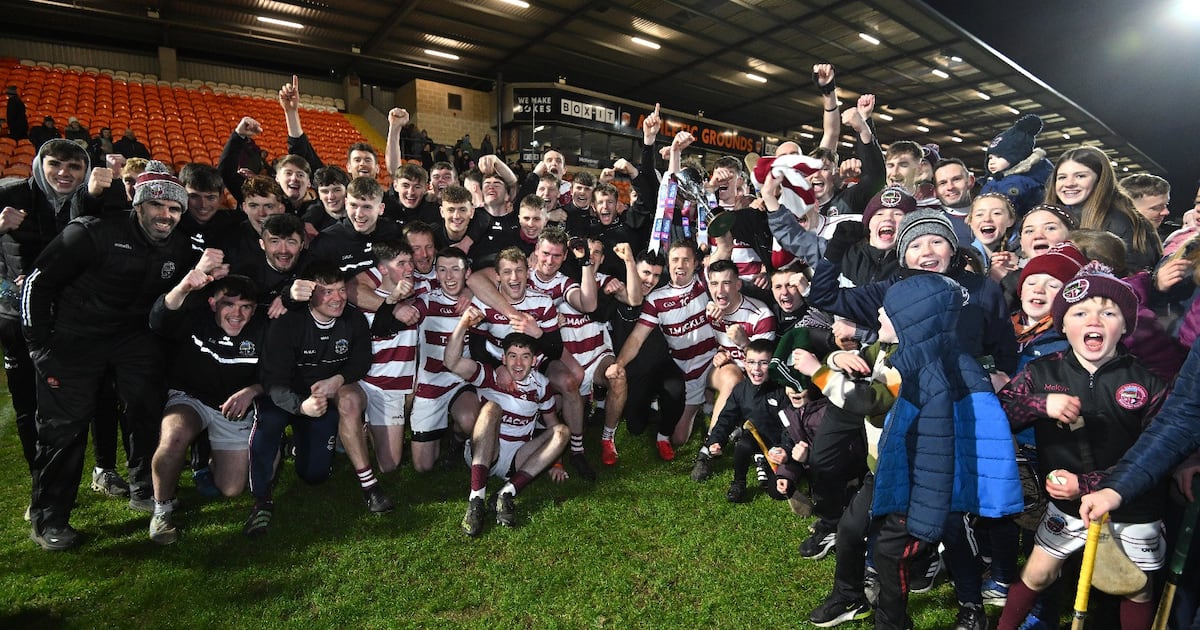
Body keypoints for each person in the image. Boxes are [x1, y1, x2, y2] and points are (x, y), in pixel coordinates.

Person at [22, 161, 210, 550]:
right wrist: (39, 345)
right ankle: (50, 517)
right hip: (76, 339)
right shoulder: (92, 233)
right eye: (157, 206)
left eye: (175, 209)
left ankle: (144, 487)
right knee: (64, 428)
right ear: (138, 205)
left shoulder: (180, 245)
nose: (166, 215)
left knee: (144, 409)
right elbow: (37, 284)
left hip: (134, 339)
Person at [997, 263, 1169, 630]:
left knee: (1135, 587)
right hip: (1067, 506)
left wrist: (1090, 485)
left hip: (1132, 507)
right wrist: (1039, 405)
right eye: (1080, 312)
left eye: (1109, 312)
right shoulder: (1042, 373)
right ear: (1063, 326)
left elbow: (1158, 452)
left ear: (1125, 326)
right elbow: (998, 414)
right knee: (1038, 573)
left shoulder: (1147, 382)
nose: (1095, 319)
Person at [871, 274, 1023, 630]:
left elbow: (937, 447)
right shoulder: (921, 362)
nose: (879, 312)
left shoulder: (934, 376)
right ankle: (970, 606)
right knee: (953, 538)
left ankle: (959, 609)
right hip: (932, 484)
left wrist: (925, 514)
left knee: (947, 539)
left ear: (912, 321)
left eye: (889, 310)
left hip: (932, 489)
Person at [245, 261, 371, 537]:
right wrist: (300, 406)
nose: (337, 298)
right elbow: (273, 379)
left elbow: (361, 361)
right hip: (283, 397)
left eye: (340, 290)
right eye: (327, 292)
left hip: (320, 399)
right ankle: (261, 498)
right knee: (268, 424)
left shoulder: (353, 319)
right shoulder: (287, 323)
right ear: (310, 294)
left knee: (315, 475)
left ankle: (298, 444)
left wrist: (336, 381)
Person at [0, 139, 94, 501]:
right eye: (56, 164)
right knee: (28, 407)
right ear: (41, 163)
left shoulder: (89, 202)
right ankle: (40, 483)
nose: (64, 173)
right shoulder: (11, 194)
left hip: (69, 322)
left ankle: (60, 483)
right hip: (15, 320)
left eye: (74, 167)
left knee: (64, 409)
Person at [146, 274, 265, 544]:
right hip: (192, 398)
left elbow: (279, 375)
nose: (237, 313)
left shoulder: (264, 328)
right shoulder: (194, 318)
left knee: (232, 488)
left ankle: (214, 457)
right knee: (174, 436)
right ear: (213, 304)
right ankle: (162, 509)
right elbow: (158, 320)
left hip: (234, 408)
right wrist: (184, 287)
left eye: (246, 306)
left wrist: (252, 391)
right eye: (229, 304)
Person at [443, 307, 569, 537]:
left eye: (525, 356)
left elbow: (552, 425)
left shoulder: (541, 385)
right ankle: (476, 500)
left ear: (535, 360)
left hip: (517, 458)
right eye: (512, 356)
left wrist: (557, 462)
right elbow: (451, 361)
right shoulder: (490, 375)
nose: (518, 363)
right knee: (491, 407)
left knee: (562, 431)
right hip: (487, 451)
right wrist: (463, 324)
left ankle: (507, 493)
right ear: (503, 358)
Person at [1045, 145, 1161, 272]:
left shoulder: (1121, 222)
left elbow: (1134, 278)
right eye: (1062, 177)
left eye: (1080, 176)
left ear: (1100, 180)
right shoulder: (1052, 218)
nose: (1069, 183)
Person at [700, 339, 788, 503]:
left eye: (763, 363)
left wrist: (784, 449)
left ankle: (768, 463)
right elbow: (726, 418)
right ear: (744, 363)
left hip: (777, 445)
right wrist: (716, 440)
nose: (756, 369)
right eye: (751, 362)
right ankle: (738, 482)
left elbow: (791, 427)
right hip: (754, 437)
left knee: (777, 493)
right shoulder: (741, 390)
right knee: (743, 444)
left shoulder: (782, 390)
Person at [978, 114, 1054, 218]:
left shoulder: (1018, 183)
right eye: (990, 158)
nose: (992, 162)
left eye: (999, 157)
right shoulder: (996, 180)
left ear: (1017, 157)